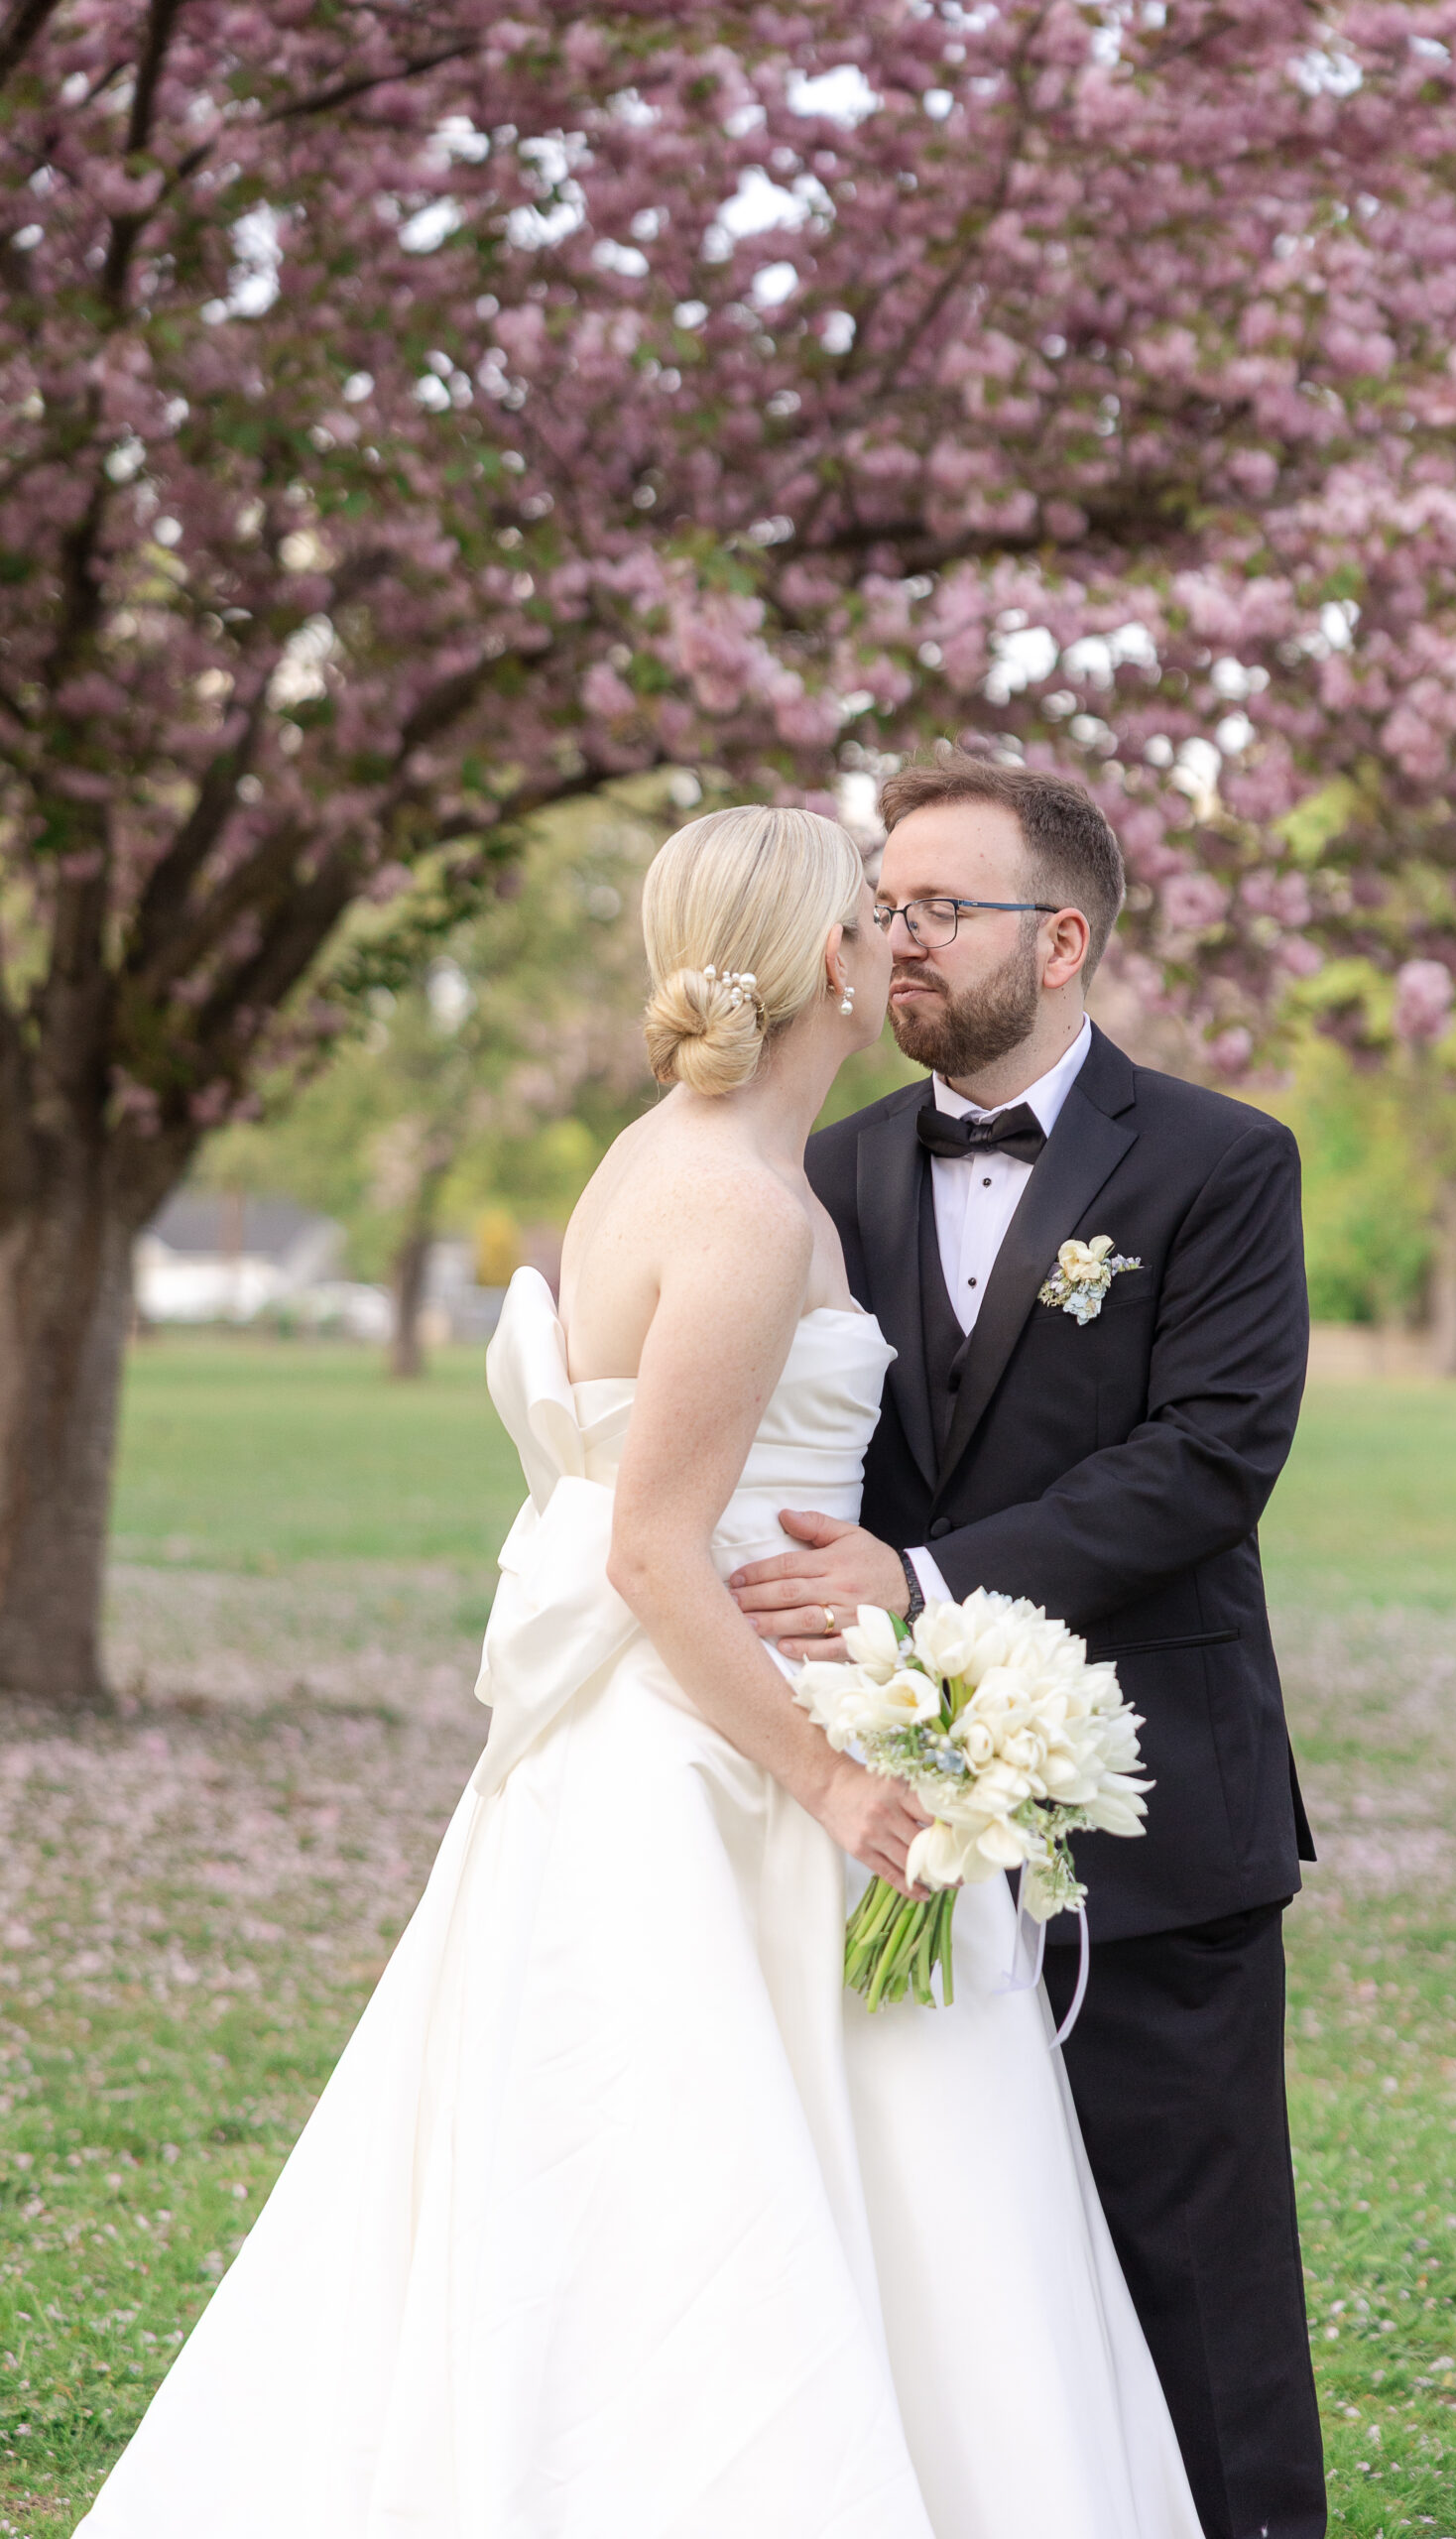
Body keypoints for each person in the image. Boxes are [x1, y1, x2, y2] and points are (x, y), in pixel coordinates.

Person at [75, 804, 1203, 2539]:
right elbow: (655, 1550)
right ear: (827, 960)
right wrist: (833, 1780)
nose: (899, 940)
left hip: (653, 1728)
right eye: (875, 916)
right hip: (717, 1760)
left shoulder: (665, 1158)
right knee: (717, 2184)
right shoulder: (742, 1210)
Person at [728, 757, 1327, 2539]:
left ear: (1061, 942)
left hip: (1149, 1800)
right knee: (953, 2268)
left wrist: (923, 1578)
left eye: (938, 908)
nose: (893, 938)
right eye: (884, 906)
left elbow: (1211, 1458)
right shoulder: (823, 1168)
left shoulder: (1223, 1161)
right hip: (893, 1817)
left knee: (1196, 2268)